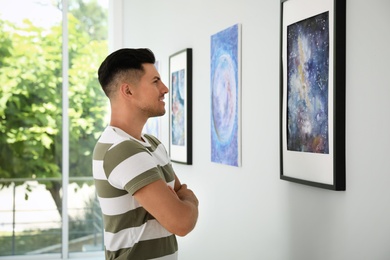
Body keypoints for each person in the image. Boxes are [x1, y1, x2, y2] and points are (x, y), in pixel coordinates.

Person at [92, 48, 199, 260]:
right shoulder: (122, 150)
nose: (166, 89)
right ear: (128, 91)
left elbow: (180, 196)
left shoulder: (151, 144)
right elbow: (182, 222)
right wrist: (189, 199)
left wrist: (182, 199)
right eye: (156, 81)